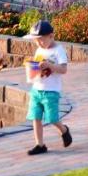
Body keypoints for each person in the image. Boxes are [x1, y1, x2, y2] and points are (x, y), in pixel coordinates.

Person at [22, 19, 72, 156]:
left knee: (52, 118)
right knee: (35, 117)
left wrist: (49, 66)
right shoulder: (39, 49)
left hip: (51, 91)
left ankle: (64, 130)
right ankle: (40, 144)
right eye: (36, 40)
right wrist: (32, 68)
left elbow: (63, 69)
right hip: (37, 89)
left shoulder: (58, 50)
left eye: (41, 40)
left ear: (51, 36)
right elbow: (38, 67)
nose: (38, 43)